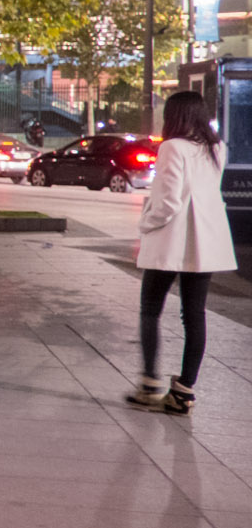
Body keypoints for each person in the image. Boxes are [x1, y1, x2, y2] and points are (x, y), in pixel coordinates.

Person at [127, 91, 235, 416]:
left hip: (172, 240)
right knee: (195, 315)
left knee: (150, 309)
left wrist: (145, 224)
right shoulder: (217, 148)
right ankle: (184, 391)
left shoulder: (172, 148)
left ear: (174, 116)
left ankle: (149, 383)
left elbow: (168, 203)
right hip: (205, 243)